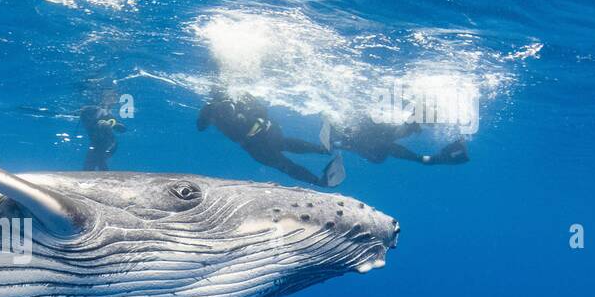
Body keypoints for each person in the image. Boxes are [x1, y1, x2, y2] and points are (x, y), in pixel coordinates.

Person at [197, 92, 344, 188]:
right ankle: (321, 158)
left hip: (259, 137)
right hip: (256, 140)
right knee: (284, 151)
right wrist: (209, 110)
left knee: (283, 158)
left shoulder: (238, 96)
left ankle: (319, 171)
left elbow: (261, 110)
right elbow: (201, 127)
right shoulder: (213, 107)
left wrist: (259, 119)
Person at [333, 116, 469, 167]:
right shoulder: (379, 148)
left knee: (382, 149)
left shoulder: (379, 142)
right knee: (381, 151)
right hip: (367, 137)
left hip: (366, 134)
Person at [79, 93, 127, 171]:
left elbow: (119, 133)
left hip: (104, 144)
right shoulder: (91, 116)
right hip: (99, 144)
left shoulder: (102, 118)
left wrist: (112, 125)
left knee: (94, 161)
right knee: (96, 161)